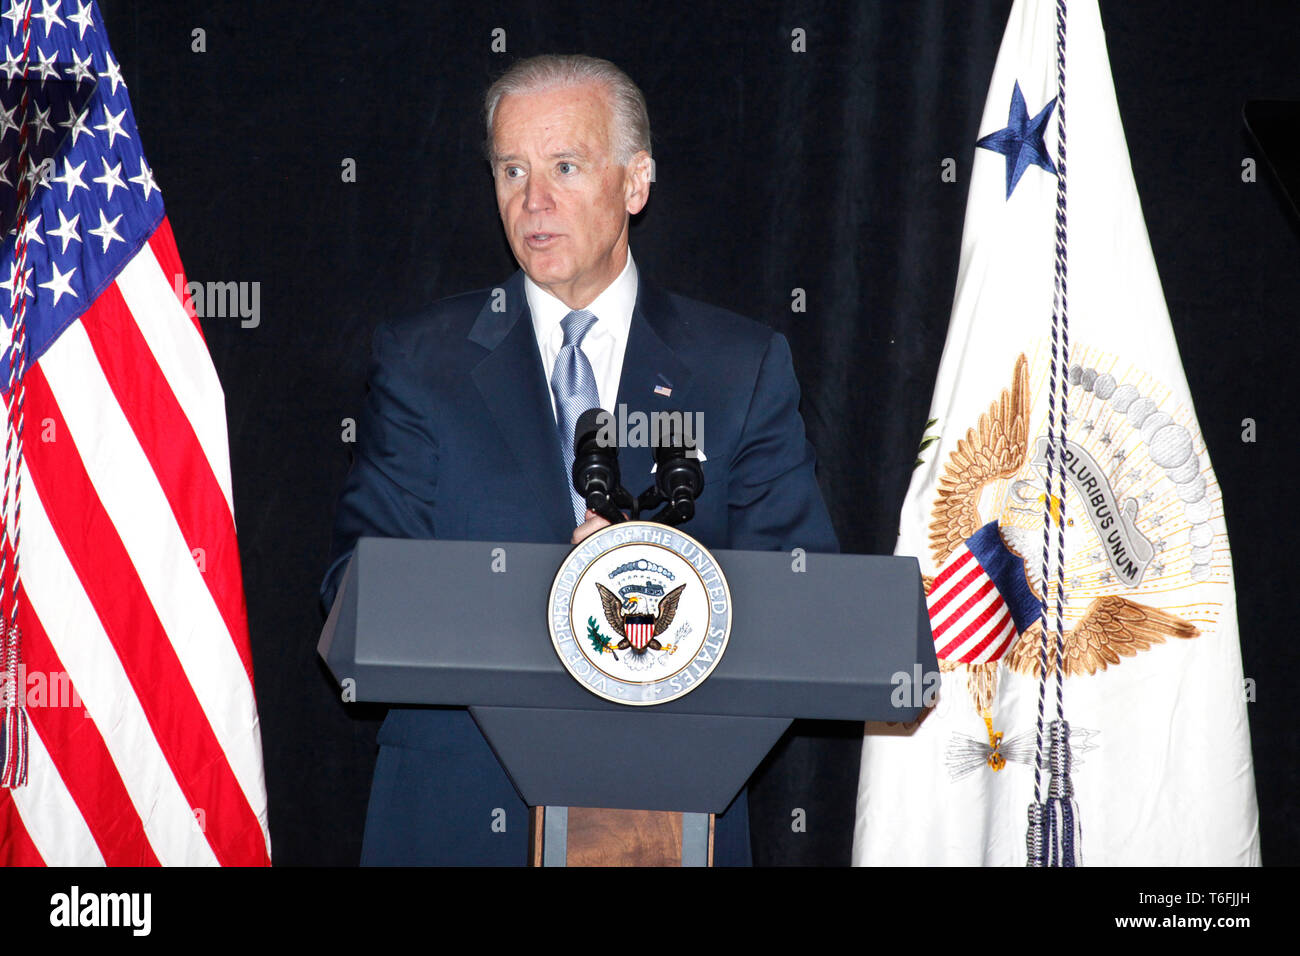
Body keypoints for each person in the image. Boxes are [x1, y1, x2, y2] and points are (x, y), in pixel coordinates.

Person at [321, 54, 838, 865]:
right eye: (511, 170)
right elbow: (356, 589)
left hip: (669, 813)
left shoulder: (740, 366)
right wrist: (553, 593)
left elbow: (806, 594)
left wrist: (658, 584)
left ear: (635, 184)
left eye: (565, 166)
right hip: (459, 813)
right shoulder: (423, 362)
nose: (534, 201)